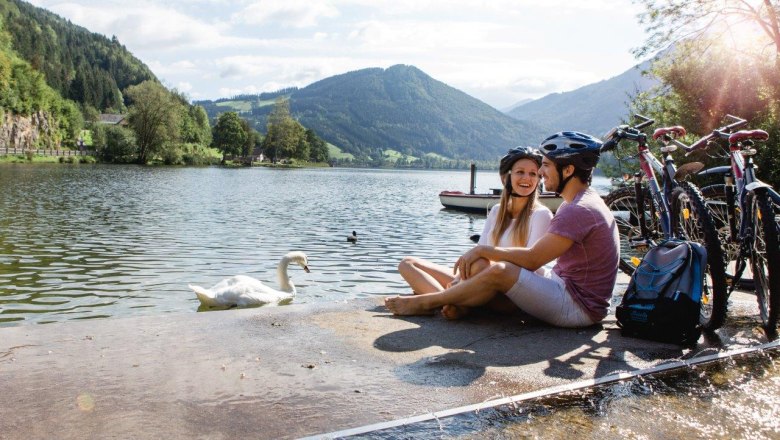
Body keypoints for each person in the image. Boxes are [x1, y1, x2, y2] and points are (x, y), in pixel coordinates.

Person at [385, 131, 619, 328]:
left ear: (567, 170)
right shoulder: (579, 204)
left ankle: (428, 302)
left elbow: (533, 260)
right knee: (482, 267)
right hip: (567, 290)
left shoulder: (578, 209)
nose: (540, 173)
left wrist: (484, 251)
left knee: (501, 270)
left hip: (578, 307)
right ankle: (452, 301)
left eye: (546, 166)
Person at [397, 146, 553, 319]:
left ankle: (440, 301)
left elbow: (531, 264)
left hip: (513, 292)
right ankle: (452, 304)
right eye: (520, 172)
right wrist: (459, 278)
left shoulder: (541, 215)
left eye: (533, 174)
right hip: (482, 279)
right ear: (506, 177)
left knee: (480, 265)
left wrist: (473, 270)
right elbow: (478, 254)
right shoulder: (496, 211)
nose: (527, 178)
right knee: (407, 264)